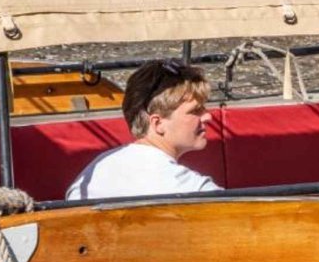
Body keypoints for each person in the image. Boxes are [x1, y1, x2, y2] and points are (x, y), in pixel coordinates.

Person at [66, 60, 222, 200]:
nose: (207, 116)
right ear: (158, 123)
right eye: (195, 111)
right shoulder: (189, 188)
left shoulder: (93, 174)